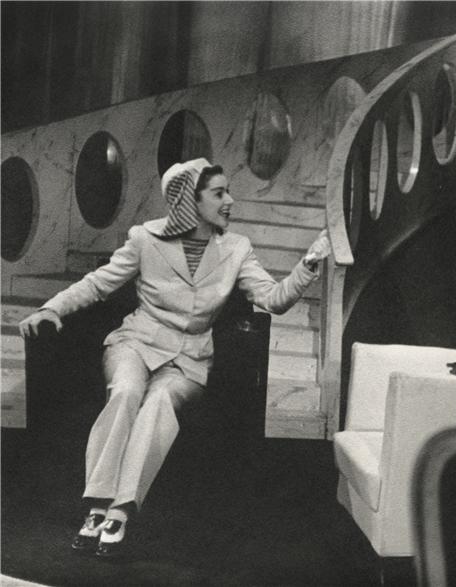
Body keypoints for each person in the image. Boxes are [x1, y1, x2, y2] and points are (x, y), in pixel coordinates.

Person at [19, 158, 331, 557]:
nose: (230, 201)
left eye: (228, 191)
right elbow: (98, 284)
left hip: (190, 356)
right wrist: (52, 308)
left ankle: (120, 510)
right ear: (189, 200)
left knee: (159, 402)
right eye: (219, 193)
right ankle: (97, 505)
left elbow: (274, 299)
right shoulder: (144, 239)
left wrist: (309, 263)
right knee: (126, 392)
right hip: (136, 342)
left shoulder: (237, 249)